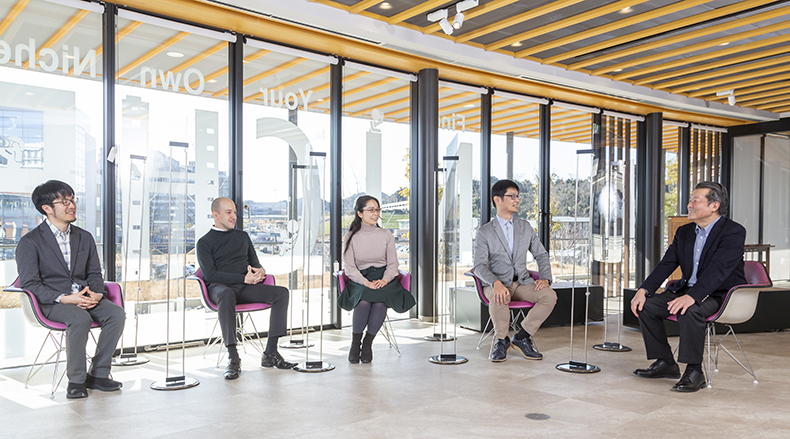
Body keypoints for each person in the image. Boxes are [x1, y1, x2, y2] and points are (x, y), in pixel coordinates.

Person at [631, 181, 746, 392]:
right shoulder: (684, 232)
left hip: (719, 294)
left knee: (690, 310)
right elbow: (666, 264)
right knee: (645, 306)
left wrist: (692, 297)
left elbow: (719, 271)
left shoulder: (733, 232)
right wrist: (643, 290)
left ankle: (695, 372)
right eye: (690, 200)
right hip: (687, 290)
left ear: (714, 205)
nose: (689, 205)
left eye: (695, 200)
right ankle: (665, 362)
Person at [16, 180, 125, 399]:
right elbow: (30, 284)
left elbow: (95, 272)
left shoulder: (84, 237)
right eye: (64, 201)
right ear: (47, 208)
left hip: (86, 296)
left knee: (116, 314)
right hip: (53, 302)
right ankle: (76, 380)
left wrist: (97, 293)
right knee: (80, 319)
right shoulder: (30, 242)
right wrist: (65, 299)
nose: (72, 205)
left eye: (72, 199)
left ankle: (99, 373)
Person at [196, 197, 295, 379]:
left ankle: (270, 353)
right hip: (220, 289)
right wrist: (243, 278)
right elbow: (210, 275)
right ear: (215, 215)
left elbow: (255, 263)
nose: (234, 216)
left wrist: (260, 271)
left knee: (281, 293)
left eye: (234, 212)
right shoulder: (204, 242)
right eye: (229, 213)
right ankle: (233, 357)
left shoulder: (242, 237)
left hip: (244, 288)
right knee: (226, 294)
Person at [473, 179, 557, 362]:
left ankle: (521, 337)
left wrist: (546, 279)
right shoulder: (485, 232)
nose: (517, 200)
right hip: (496, 282)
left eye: (518, 196)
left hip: (522, 282)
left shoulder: (525, 227)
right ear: (498, 200)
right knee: (499, 296)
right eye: (512, 196)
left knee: (549, 296)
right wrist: (495, 283)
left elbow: (541, 255)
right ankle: (501, 341)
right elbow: (479, 265)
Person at [339, 195, 415, 363]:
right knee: (364, 301)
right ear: (359, 213)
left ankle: (367, 344)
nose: (375, 214)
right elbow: (349, 268)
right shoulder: (350, 236)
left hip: (384, 278)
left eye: (377, 210)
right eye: (371, 210)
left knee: (380, 301)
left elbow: (393, 264)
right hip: (361, 278)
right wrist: (365, 282)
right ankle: (355, 343)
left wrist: (385, 280)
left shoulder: (386, 234)